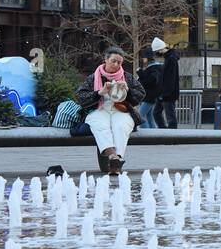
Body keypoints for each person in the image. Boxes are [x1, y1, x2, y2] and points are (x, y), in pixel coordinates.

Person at [74, 46, 145, 176]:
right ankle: (114, 157)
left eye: (119, 62)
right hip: (99, 109)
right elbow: (80, 96)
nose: (116, 65)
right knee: (100, 125)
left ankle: (115, 160)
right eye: (113, 61)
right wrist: (100, 92)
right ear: (105, 60)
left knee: (121, 126)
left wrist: (128, 90)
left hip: (121, 109)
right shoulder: (93, 77)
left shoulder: (127, 77)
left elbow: (141, 94)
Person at [151, 37, 179, 128]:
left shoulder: (171, 59)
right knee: (159, 113)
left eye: (157, 51)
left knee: (168, 116)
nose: (157, 53)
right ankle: (166, 132)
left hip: (167, 93)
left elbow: (171, 78)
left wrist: (165, 93)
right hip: (165, 93)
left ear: (160, 49)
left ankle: (170, 135)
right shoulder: (169, 58)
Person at [136, 54, 161, 129]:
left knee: (139, 116)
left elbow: (151, 81)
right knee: (149, 117)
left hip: (149, 96)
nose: (142, 59)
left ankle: (146, 134)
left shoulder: (153, 68)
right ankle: (154, 135)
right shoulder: (151, 68)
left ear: (147, 58)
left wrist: (141, 73)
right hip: (148, 96)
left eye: (144, 57)